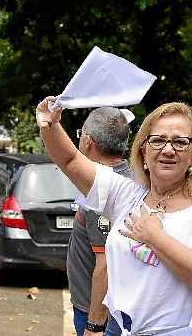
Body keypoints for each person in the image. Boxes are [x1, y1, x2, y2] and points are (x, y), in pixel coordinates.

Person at [36, 98, 192, 335]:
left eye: (180, 142)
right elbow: (70, 160)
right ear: (143, 150)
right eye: (158, 140)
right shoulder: (127, 195)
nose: (168, 149)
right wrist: (50, 126)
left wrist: (155, 237)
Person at [68, 107, 131, 336]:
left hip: (98, 315)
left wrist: (94, 326)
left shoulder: (102, 190)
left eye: (80, 134)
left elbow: (105, 264)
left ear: (88, 141)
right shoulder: (128, 176)